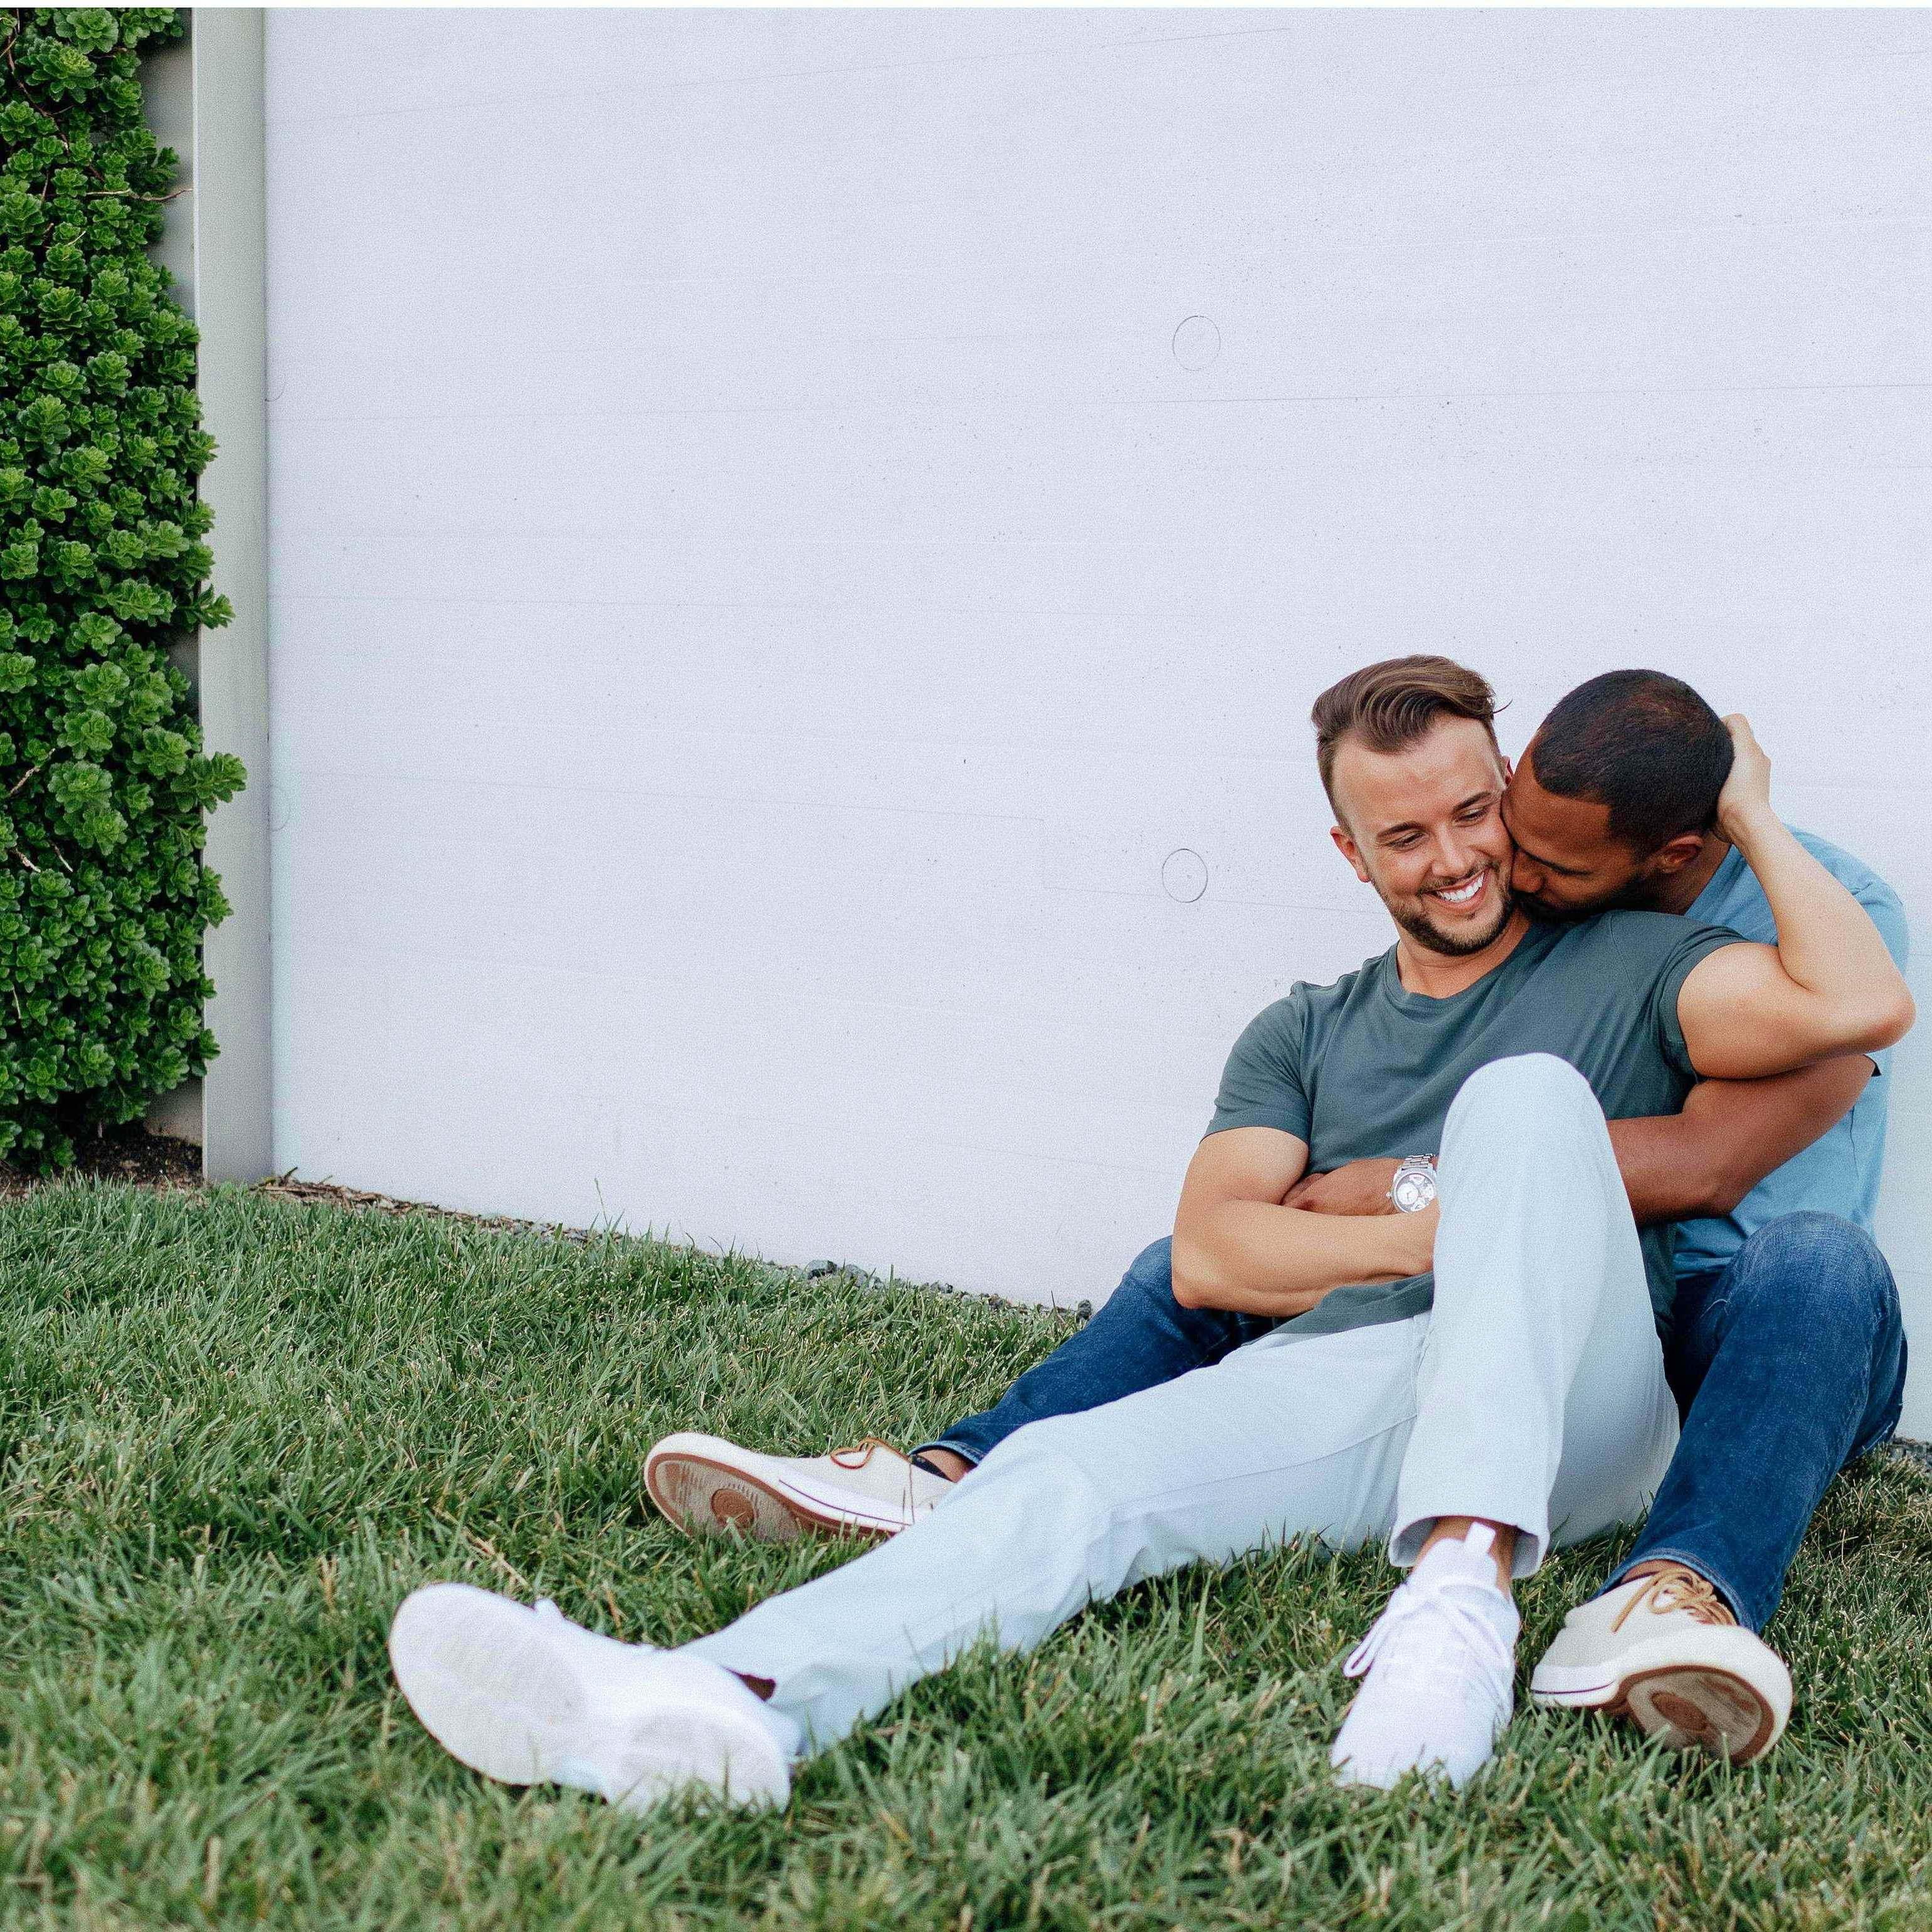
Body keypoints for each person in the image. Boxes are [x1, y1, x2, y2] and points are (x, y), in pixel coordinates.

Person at [387, 658, 1913, 1814]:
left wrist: (1746, 808)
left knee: (1521, 1103)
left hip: (1589, 1412)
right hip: (1377, 1382)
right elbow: (1210, 1260)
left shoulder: (1640, 955)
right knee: (1065, 1474)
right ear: (1348, 852)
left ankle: (1458, 1593)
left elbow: (1858, 1000)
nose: (1453, 855)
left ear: (1508, 789)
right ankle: (724, 1696)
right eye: (1406, 832)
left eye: (1473, 811)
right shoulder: (1302, 1031)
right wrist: (1447, 1231)